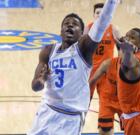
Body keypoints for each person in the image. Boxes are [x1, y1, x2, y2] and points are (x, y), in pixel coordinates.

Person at [28, 0, 120, 135]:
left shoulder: (84, 49)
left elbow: (101, 24)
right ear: (61, 31)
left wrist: (112, 3)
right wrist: (40, 81)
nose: (70, 25)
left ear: (82, 33)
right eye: (66, 23)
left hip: (70, 116)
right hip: (46, 111)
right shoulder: (47, 51)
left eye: (75, 24)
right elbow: (35, 86)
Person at [84, 3, 121, 99]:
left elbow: (121, 50)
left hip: (106, 70)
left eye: (102, 13)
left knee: (106, 99)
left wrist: (119, 67)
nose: (100, 15)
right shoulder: (88, 28)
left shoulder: (114, 29)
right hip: (90, 70)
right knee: (86, 98)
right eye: (97, 13)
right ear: (93, 15)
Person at [89, 46, 122, 135]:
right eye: (122, 49)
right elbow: (92, 81)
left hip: (125, 103)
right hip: (107, 101)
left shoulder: (138, 64)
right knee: (105, 130)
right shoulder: (107, 64)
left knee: (131, 129)